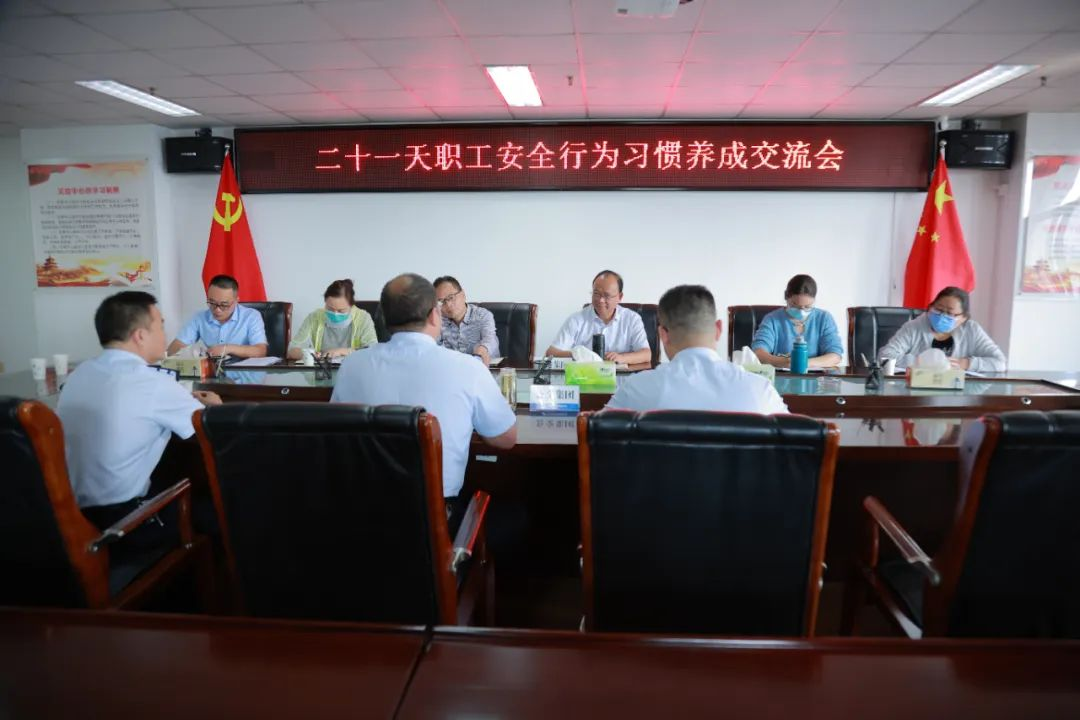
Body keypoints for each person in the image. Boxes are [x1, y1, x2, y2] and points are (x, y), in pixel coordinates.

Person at [331, 273, 517, 516]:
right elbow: (505, 438)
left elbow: (336, 433)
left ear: (384, 318)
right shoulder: (468, 368)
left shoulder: (352, 365)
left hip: (363, 514)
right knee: (514, 515)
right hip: (434, 519)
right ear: (434, 315)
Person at [57, 291, 221, 533]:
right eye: (161, 326)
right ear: (140, 336)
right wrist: (217, 407)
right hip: (123, 524)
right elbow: (211, 430)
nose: (165, 335)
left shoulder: (79, 374)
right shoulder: (153, 382)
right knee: (219, 507)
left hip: (71, 519)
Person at [607, 285, 788, 413]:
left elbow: (599, 439)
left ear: (663, 335)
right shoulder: (761, 391)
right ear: (718, 330)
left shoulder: (635, 390)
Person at [877, 286, 1006, 372]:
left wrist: (966, 364)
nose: (942, 316)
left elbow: (999, 362)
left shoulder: (971, 330)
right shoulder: (914, 327)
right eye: (938, 309)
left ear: (963, 318)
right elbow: (885, 356)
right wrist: (922, 362)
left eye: (950, 313)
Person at [545, 270, 651, 364]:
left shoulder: (632, 319)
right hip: (585, 378)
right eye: (596, 294)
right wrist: (580, 355)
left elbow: (646, 354)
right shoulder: (576, 320)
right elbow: (551, 353)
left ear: (620, 297)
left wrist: (622, 358)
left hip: (621, 378)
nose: (600, 300)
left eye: (607, 295)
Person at [751, 274, 844, 369]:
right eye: (795, 305)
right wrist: (783, 362)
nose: (801, 311)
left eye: (807, 307)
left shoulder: (824, 318)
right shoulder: (772, 319)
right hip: (782, 376)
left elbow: (835, 356)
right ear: (786, 297)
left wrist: (801, 363)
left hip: (815, 377)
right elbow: (758, 352)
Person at [167, 274, 267, 358]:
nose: (217, 310)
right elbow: (172, 349)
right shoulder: (199, 318)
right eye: (212, 303)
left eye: (224, 305)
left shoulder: (251, 316)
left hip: (243, 373)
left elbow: (260, 351)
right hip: (212, 372)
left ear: (236, 301)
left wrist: (227, 348)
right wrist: (193, 351)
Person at [286, 279, 377, 360]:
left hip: (353, 370)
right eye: (330, 308)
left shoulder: (363, 318)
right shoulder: (314, 317)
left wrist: (343, 351)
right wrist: (310, 355)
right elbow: (291, 350)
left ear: (351, 305)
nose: (335, 314)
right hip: (322, 370)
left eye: (341, 310)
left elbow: (373, 351)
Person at [434, 276, 499, 364]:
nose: (448, 305)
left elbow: (490, 339)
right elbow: (433, 346)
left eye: (451, 297)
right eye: (441, 301)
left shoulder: (482, 315)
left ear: (463, 294)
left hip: (485, 368)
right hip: (453, 369)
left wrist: (482, 350)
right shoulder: (438, 320)